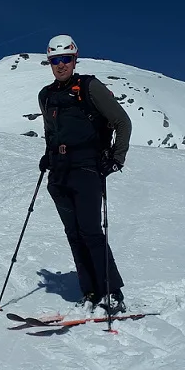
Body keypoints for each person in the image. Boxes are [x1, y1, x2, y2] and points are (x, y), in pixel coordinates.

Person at [37, 35, 132, 315]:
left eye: (66, 59)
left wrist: (116, 158)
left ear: (74, 59)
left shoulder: (90, 87)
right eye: (55, 60)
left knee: (90, 231)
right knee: (74, 234)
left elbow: (122, 122)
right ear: (50, 62)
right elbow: (51, 131)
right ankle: (90, 291)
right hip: (59, 172)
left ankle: (112, 292)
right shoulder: (46, 95)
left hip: (87, 168)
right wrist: (48, 155)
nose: (61, 65)